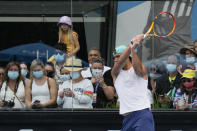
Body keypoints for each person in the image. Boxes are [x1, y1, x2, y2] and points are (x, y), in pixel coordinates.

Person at [111, 34, 154, 131]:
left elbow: (138, 70)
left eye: (118, 56)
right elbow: (120, 62)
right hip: (127, 118)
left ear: (127, 56)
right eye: (114, 57)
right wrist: (132, 44)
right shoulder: (115, 72)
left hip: (142, 114)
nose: (115, 59)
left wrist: (133, 47)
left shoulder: (141, 68)